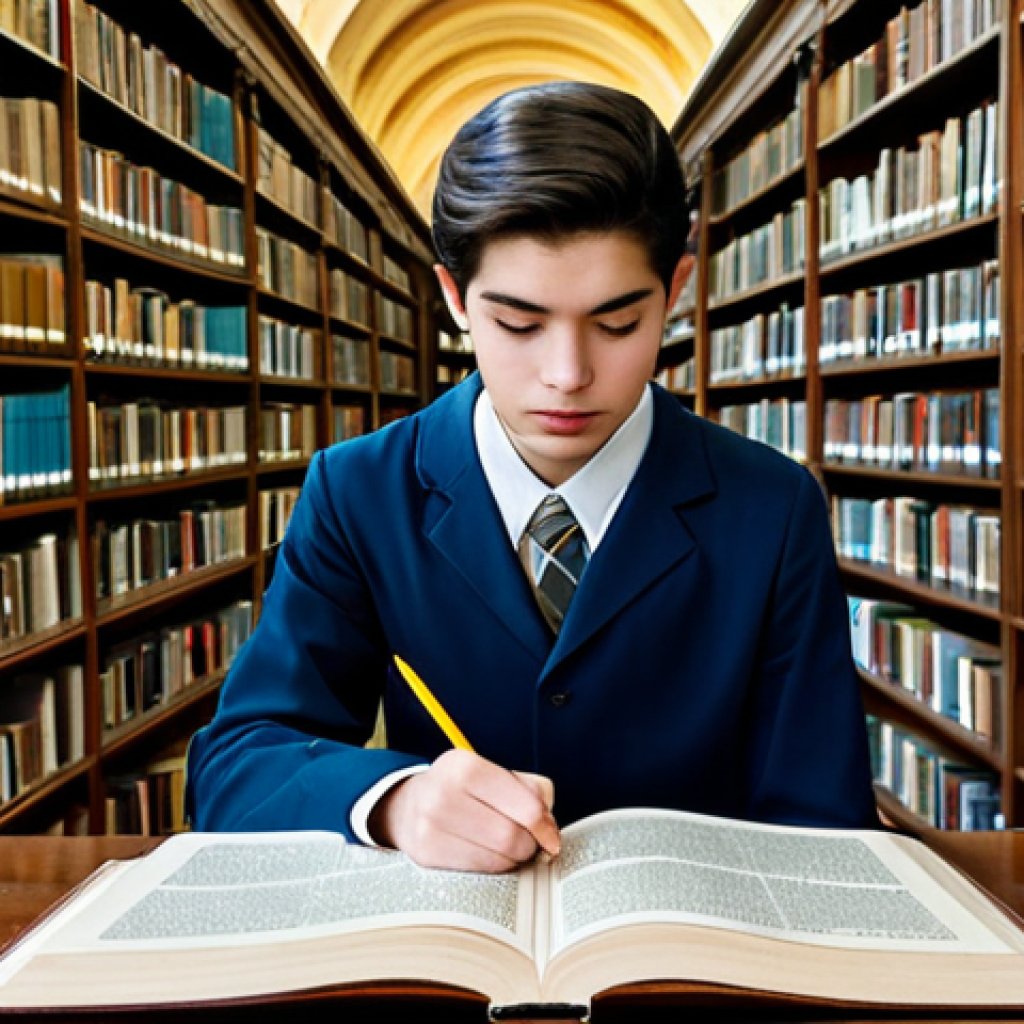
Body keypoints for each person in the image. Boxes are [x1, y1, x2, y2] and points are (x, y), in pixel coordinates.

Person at [185, 81, 878, 873]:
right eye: (517, 324)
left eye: (619, 324)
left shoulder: (775, 507)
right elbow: (235, 765)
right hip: (451, 957)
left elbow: (825, 816)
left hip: (693, 959)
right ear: (454, 297)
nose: (567, 374)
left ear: (675, 292)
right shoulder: (357, 491)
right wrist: (397, 799)